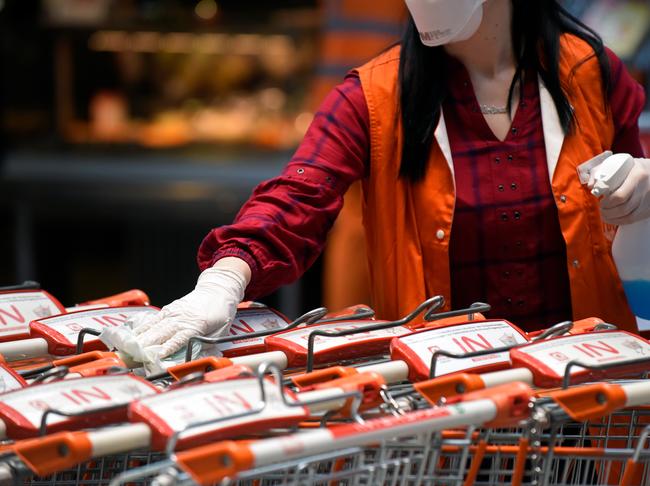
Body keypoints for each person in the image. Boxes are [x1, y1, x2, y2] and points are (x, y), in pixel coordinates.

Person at [131, 0, 650, 358]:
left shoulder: (589, 73)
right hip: (448, 404)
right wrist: (226, 276)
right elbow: (299, 194)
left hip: (588, 397)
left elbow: (636, 195)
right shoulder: (373, 97)